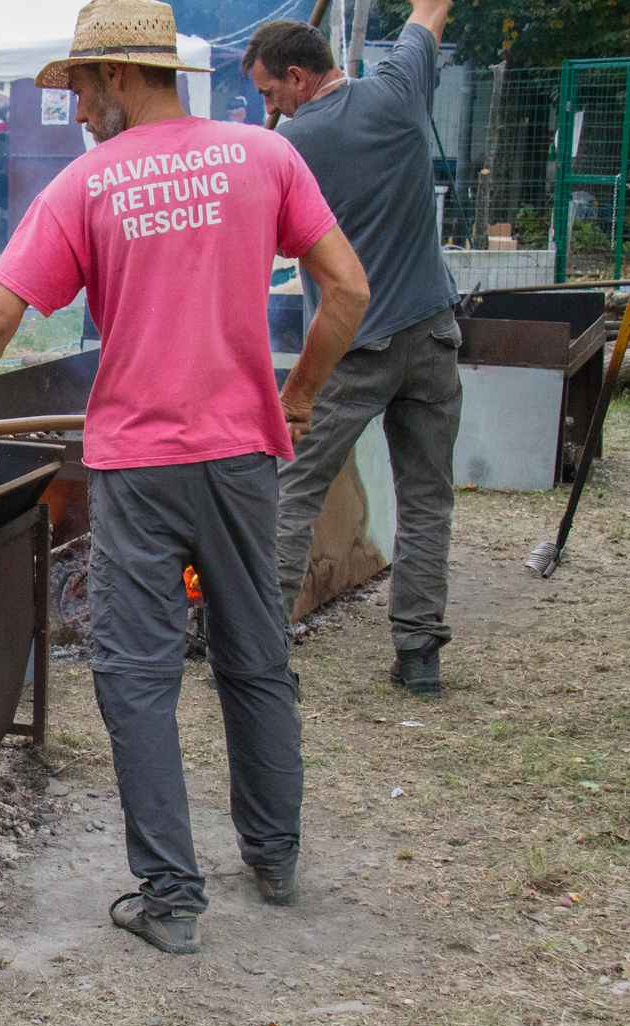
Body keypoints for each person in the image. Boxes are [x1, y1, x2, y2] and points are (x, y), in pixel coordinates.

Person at [0, 0, 369, 954]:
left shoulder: (87, 187)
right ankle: (276, 854)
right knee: (256, 654)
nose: (78, 111)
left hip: (139, 464)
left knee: (135, 675)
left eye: (82, 88)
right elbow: (350, 288)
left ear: (120, 75)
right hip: (245, 458)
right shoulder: (268, 157)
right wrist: (296, 394)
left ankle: (171, 897)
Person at [246, 0, 462, 696]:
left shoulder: (286, 148)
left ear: (300, 78)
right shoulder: (400, 90)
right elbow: (430, 8)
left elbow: (272, 247)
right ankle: (419, 654)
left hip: (351, 348)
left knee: (292, 496)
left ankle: (264, 660)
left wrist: (266, 150)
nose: (268, 104)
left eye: (270, 92)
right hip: (431, 334)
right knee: (427, 498)